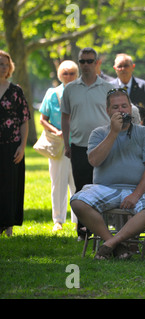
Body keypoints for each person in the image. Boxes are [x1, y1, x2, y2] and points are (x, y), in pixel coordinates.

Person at [70, 88, 145, 260]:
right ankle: (116, 244)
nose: (121, 110)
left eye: (124, 106)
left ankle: (110, 244)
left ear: (130, 108)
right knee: (78, 202)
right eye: (115, 107)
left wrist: (136, 195)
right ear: (108, 111)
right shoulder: (98, 133)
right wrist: (113, 132)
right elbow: (94, 161)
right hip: (106, 188)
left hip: (138, 189)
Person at [61, 47, 114, 239]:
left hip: (104, 145)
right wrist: (67, 144)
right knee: (82, 189)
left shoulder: (108, 88)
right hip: (79, 146)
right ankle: (83, 231)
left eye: (90, 61)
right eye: (82, 61)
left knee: (102, 186)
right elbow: (65, 118)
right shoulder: (70, 89)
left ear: (97, 63)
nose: (85, 65)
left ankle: (103, 229)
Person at [39, 60, 78, 231]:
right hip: (59, 145)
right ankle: (58, 220)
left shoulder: (81, 92)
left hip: (78, 143)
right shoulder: (52, 93)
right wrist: (56, 131)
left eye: (72, 73)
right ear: (59, 75)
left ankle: (79, 220)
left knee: (78, 183)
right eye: (65, 73)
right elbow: (42, 119)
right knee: (58, 183)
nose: (68, 76)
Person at [0, 50, 30, 237]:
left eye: (5, 64)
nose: (2, 67)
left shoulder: (16, 91)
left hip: (12, 145)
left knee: (10, 184)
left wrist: (22, 146)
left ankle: (8, 225)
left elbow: (25, 120)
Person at [110, 54, 145, 129]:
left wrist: (142, 132)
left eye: (126, 66)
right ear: (115, 68)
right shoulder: (108, 88)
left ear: (133, 67)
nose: (123, 69)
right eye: (119, 66)